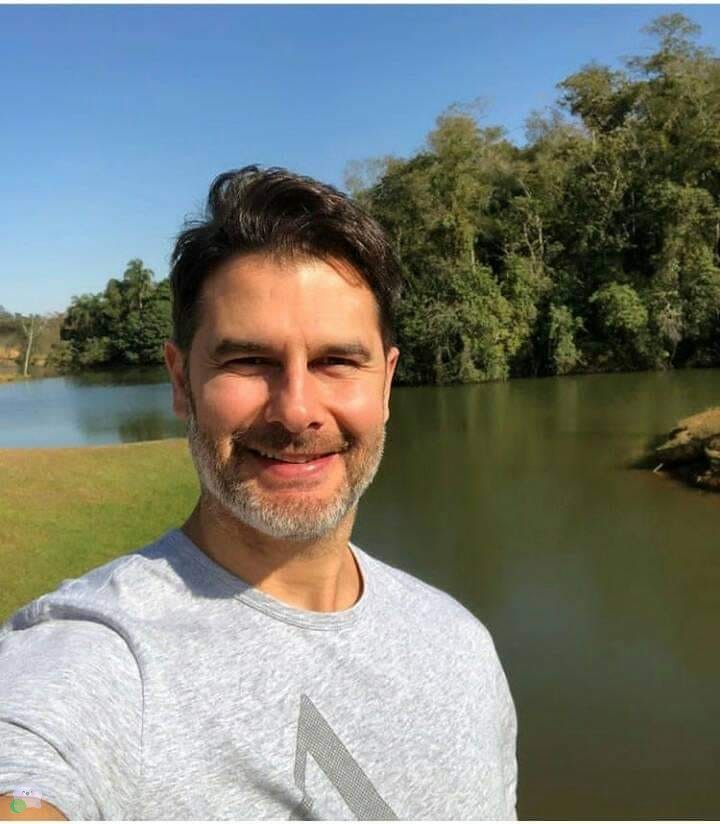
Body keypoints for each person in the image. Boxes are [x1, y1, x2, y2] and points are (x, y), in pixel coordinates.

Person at [0, 166, 517, 820]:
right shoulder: (97, 660)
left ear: (385, 384)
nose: (297, 410)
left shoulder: (461, 647)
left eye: (336, 361)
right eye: (248, 361)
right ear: (182, 383)